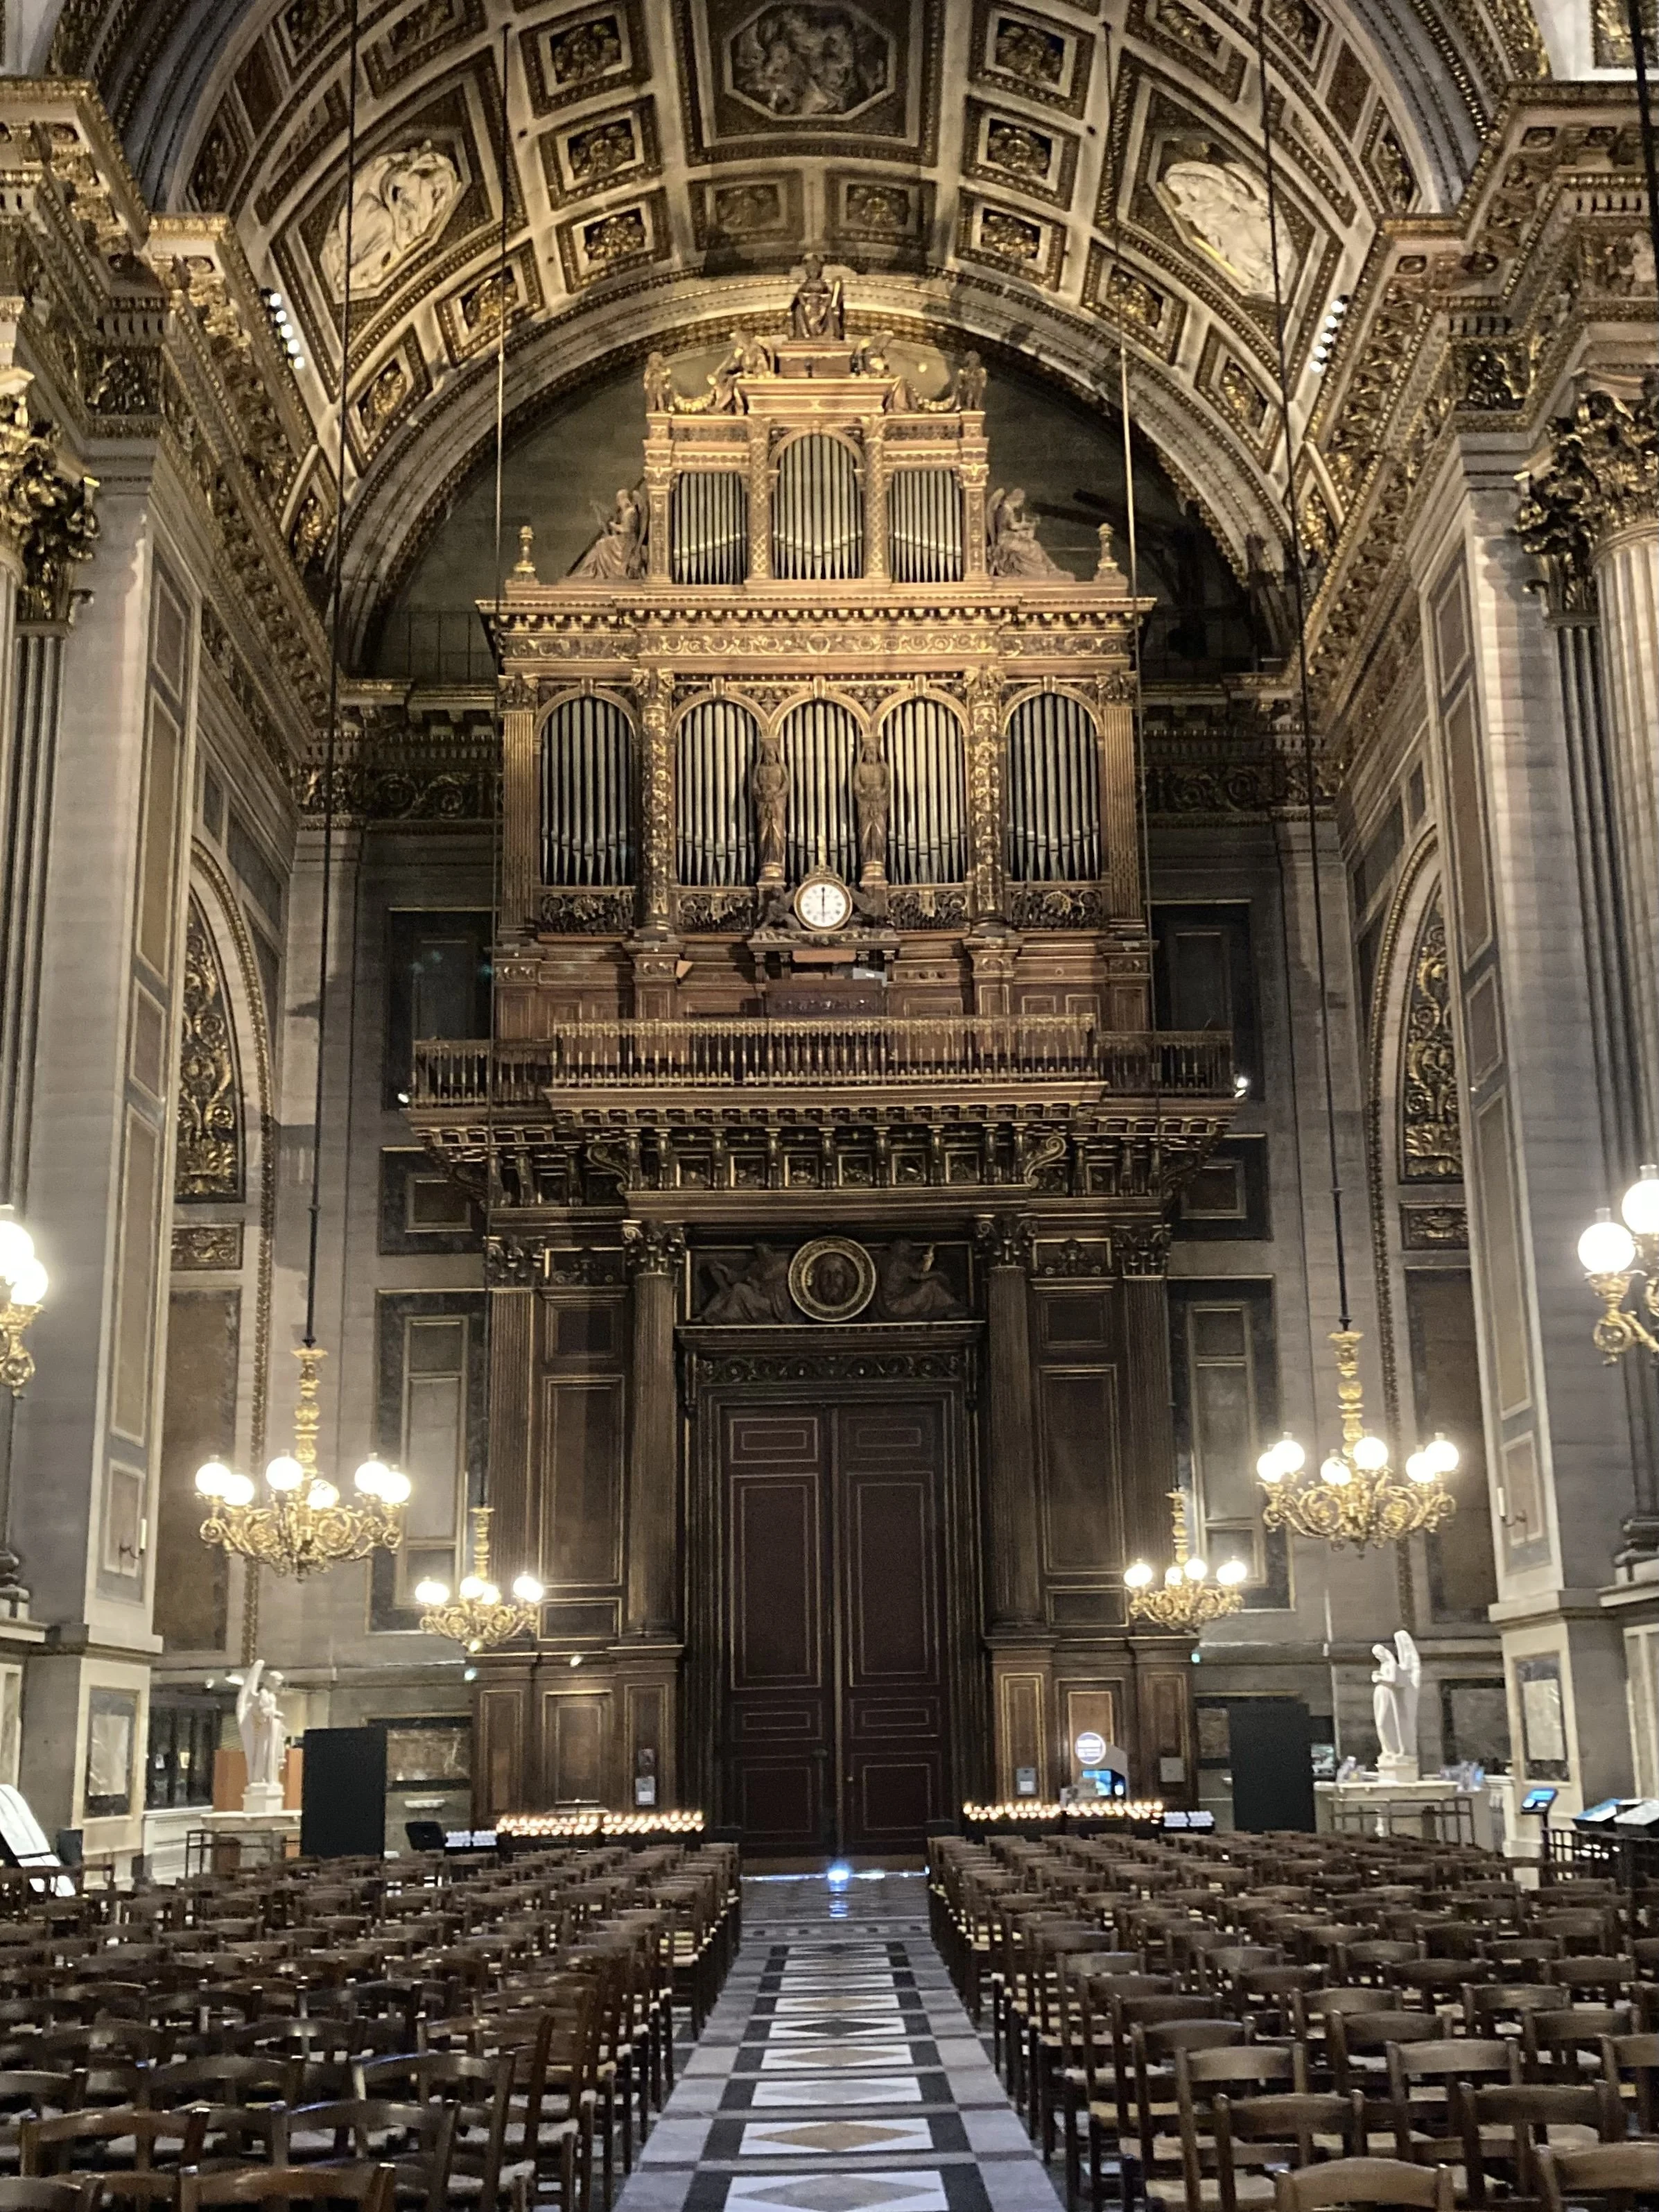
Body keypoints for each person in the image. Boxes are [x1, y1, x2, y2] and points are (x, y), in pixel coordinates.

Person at [236, 1660, 286, 1794]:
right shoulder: (263, 1693)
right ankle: (260, 1777)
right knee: (264, 1752)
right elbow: (258, 1711)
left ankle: (270, 1778)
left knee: (272, 1752)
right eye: (277, 1682)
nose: (278, 1685)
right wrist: (273, 1713)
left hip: (272, 1728)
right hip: (265, 1727)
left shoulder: (272, 1695)